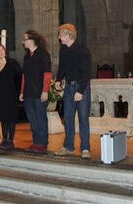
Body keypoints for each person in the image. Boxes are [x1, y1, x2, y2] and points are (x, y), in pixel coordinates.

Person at [54, 24, 92, 159]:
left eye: (61, 35)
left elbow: (86, 73)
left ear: (68, 35)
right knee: (68, 118)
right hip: (69, 87)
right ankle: (68, 147)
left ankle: (85, 148)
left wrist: (80, 91)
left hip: (82, 87)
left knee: (83, 118)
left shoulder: (82, 50)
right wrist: (58, 80)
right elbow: (62, 66)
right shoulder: (63, 49)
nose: (59, 38)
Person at [19, 30, 52, 153]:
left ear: (32, 40)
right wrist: (22, 91)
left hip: (39, 92)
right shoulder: (27, 56)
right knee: (32, 119)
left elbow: (47, 74)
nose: (23, 42)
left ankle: (42, 143)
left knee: (40, 118)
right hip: (28, 93)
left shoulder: (43, 54)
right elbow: (24, 75)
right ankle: (36, 142)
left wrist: (45, 90)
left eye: (25, 39)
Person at [0, 43, 22, 150]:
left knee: (11, 118)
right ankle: (4, 140)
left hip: (11, 94)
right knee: (3, 118)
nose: (2, 52)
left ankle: (10, 141)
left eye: (3, 50)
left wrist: (20, 92)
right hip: (0, 95)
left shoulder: (12, 63)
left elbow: (20, 76)